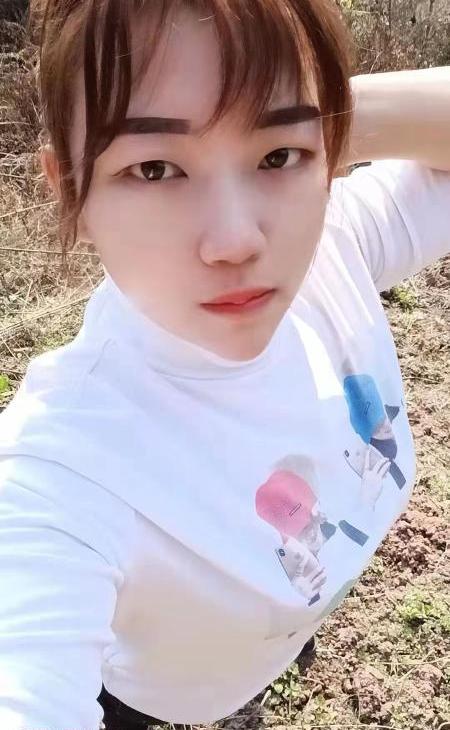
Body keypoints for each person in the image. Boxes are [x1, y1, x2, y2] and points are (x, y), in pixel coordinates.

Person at [0, 1, 449, 729]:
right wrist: (267, 117)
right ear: (72, 194)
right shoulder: (60, 469)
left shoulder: (334, 251)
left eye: (278, 158)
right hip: (147, 694)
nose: (236, 240)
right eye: (154, 168)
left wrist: (312, 105)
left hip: (275, 623)